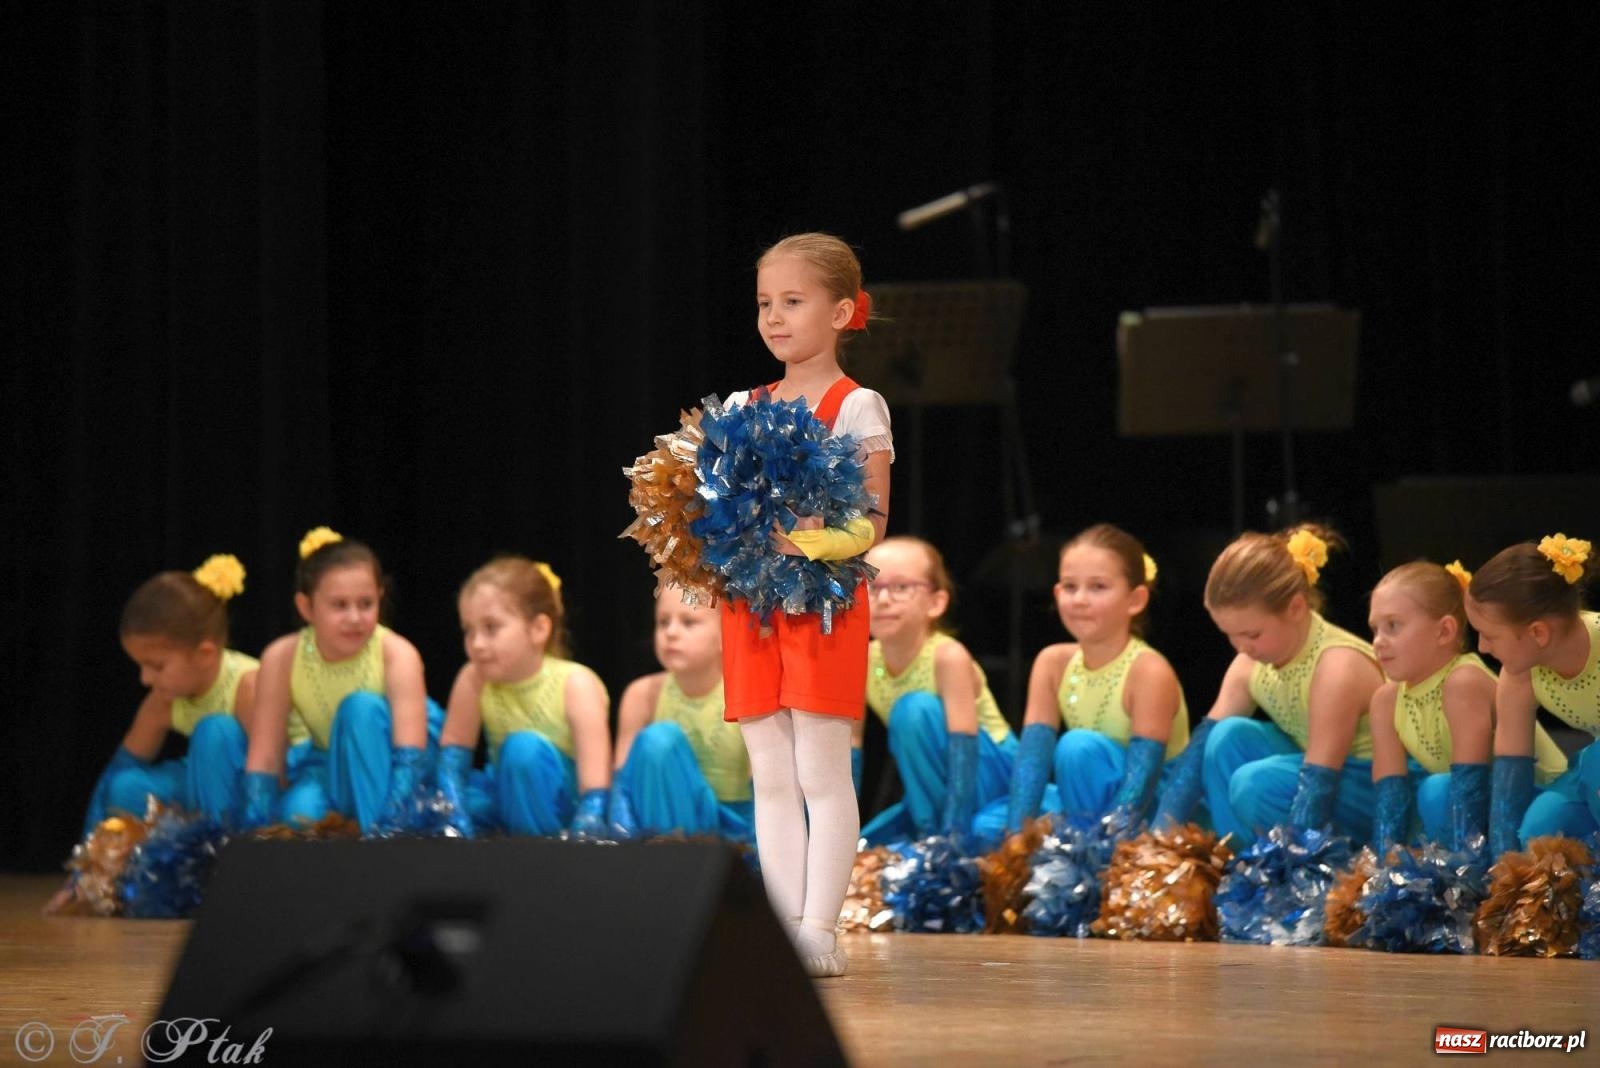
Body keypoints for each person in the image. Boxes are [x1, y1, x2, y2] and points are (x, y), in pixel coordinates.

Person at [718, 232, 890, 977]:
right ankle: (783, 928)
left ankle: (821, 925)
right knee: (771, 773)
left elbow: (875, 523)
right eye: (764, 303)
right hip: (750, 605)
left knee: (823, 770)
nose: (775, 318)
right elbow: (713, 508)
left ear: (843, 311)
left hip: (821, 603)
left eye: (793, 301)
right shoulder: (738, 404)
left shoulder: (858, 406)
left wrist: (812, 541)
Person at [1153, 525, 1384, 844]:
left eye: (1251, 635)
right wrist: (1153, 843)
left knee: (1254, 785)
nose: (1240, 647)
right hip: (1318, 773)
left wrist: (1298, 862)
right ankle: (1238, 863)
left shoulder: (1337, 667)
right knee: (1223, 737)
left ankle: (1293, 872)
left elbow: (1319, 780)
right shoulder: (1249, 663)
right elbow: (1199, 754)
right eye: (1229, 634)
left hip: (1372, 790)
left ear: (1296, 607)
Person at [241, 527, 443, 833]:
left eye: (366, 604)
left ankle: (378, 844)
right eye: (339, 605)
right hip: (328, 764)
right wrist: (255, 828)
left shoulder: (397, 653)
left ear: (380, 598)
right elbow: (266, 755)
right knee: (298, 816)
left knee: (359, 708)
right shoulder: (281, 657)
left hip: (395, 768)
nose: (354, 617)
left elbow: (410, 757)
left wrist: (392, 826)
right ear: (306, 607)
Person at [998, 524, 1188, 838]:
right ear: (1057, 593)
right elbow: (1032, 761)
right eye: (1070, 587)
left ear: (1135, 599)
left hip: (1146, 809)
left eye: (1098, 587)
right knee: (989, 824)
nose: (1080, 600)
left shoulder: (1148, 670)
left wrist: (1104, 847)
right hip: (1085, 800)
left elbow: (1143, 778)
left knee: (1076, 747)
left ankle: (1089, 854)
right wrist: (1015, 841)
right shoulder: (1052, 662)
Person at [1366, 560, 1566, 852]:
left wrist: (1460, 879)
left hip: (1538, 804)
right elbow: (1391, 801)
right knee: (1433, 793)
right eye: (1375, 629)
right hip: (1479, 812)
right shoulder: (1385, 701)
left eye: (1393, 626)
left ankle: (1480, 875)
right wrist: (1383, 875)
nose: (1378, 642)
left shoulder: (1464, 682)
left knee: (1437, 792)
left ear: (1445, 631)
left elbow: (1468, 788)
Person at [79, 555, 279, 833]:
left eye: (157, 666)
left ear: (205, 654)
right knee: (124, 786)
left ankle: (222, 853)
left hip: (258, 793)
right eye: (141, 666)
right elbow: (117, 771)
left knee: (214, 732)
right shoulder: (162, 701)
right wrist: (88, 852)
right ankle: (180, 854)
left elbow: (276, 774)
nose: (145, 678)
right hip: (202, 786)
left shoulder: (248, 688)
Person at [434, 557, 612, 837]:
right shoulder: (473, 677)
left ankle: (538, 854)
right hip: (504, 794)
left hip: (564, 807)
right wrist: (454, 817)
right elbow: (452, 764)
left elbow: (595, 788)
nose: (477, 644)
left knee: (522, 750)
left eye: (491, 627)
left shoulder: (576, 684)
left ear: (538, 629)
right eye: (469, 630)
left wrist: (584, 831)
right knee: (439, 803)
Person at [854, 536, 1014, 845]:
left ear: (936, 602)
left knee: (912, 709)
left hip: (991, 776)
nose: (884, 599)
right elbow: (851, 747)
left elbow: (963, 749)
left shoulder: (947, 656)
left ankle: (940, 834)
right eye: (872, 586)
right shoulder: (860, 660)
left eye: (901, 588)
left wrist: (950, 833)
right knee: (864, 848)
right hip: (932, 792)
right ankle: (931, 829)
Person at [1464, 534, 1598, 854]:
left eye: (1489, 635)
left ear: (1538, 632)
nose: (1482, 648)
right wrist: (1505, 875)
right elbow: (1510, 781)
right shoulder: (1520, 673)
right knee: (1541, 826)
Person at [609, 583, 750, 840]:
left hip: (729, 834)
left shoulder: (748, 695)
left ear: (725, 632)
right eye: (663, 622)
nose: (671, 632)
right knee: (658, 742)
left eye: (688, 622)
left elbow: (768, 784)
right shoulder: (641, 695)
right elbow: (624, 784)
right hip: (660, 832)